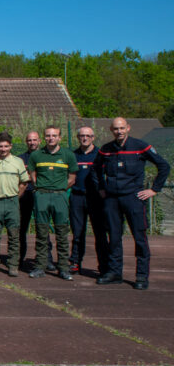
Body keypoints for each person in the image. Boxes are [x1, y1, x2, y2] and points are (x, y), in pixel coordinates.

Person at [94, 117, 170, 289]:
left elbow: (164, 166)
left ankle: (142, 276)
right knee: (113, 237)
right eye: (115, 129)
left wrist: (154, 189)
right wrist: (101, 187)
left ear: (128, 128)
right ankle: (114, 272)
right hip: (112, 199)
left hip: (133, 198)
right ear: (111, 130)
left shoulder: (141, 146)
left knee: (140, 238)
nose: (119, 131)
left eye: (122, 128)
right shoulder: (106, 149)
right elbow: (96, 169)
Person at [27, 126, 78, 279]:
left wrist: (60, 188)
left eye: (54, 135)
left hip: (60, 196)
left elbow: (72, 178)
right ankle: (40, 266)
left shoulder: (68, 155)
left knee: (62, 233)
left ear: (59, 138)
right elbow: (32, 174)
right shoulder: (37, 155)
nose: (51, 138)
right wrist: (40, 189)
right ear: (44, 138)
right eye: (48, 136)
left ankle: (63, 267)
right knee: (41, 233)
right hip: (42, 196)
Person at [0, 132, 28, 277]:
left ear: (10, 146)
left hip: (12, 202)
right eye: (0, 146)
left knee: (14, 235)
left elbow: (24, 182)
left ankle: (13, 265)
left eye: (6, 146)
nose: (3, 149)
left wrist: (17, 196)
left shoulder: (17, 161)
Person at [71, 126, 108, 275]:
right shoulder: (73, 155)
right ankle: (75, 262)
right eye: (82, 136)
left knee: (100, 233)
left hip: (96, 198)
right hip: (77, 197)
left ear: (93, 137)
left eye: (88, 136)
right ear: (78, 137)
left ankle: (104, 265)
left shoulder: (100, 155)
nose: (84, 138)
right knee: (78, 232)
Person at [19, 131, 53, 270]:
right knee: (21, 228)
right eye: (29, 140)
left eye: (34, 140)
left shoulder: (46, 156)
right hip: (25, 196)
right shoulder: (20, 159)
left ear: (39, 141)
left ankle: (47, 259)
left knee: (42, 227)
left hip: (41, 195)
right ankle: (19, 258)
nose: (32, 142)